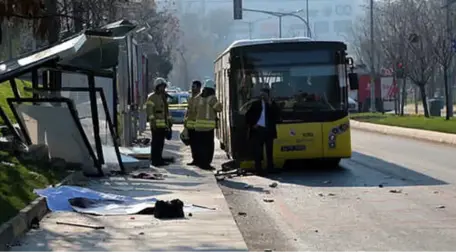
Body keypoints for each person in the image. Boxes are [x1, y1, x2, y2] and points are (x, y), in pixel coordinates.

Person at [245, 87, 279, 175]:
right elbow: (248, 116)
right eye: (261, 94)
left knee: (269, 150)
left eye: (265, 94)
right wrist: (253, 125)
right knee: (258, 151)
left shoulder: (271, 104)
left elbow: (277, 115)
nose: (263, 96)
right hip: (258, 130)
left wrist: (270, 103)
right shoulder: (255, 104)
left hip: (268, 130)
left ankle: (270, 168)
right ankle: (259, 169)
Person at [194, 79, 222, 170]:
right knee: (209, 147)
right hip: (208, 128)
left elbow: (194, 110)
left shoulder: (198, 98)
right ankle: (206, 164)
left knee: (200, 146)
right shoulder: (212, 98)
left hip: (198, 127)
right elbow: (219, 108)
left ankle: (201, 163)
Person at [145, 77, 173, 167]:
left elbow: (166, 111)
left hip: (163, 125)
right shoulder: (151, 97)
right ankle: (155, 160)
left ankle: (159, 159)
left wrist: (169, 123)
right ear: (157, 87)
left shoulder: (163, 97)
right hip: (156, 126)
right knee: (156, 144)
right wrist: (153, 124)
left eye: (164, 87)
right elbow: (150, 112)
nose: (163, 89)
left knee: (161, 144)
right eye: (161, 87)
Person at [184, 80, 202, 166]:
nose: (192, 88)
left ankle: (199, 160)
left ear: (199, 88)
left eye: (194, 87)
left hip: (198, 126)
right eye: (192, 86)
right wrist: (185, 121)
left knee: (198, 144)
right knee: (192, 144)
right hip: (190, 126)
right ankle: (195, 159)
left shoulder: (201, 99)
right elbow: (188, 110)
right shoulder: (190, 99)